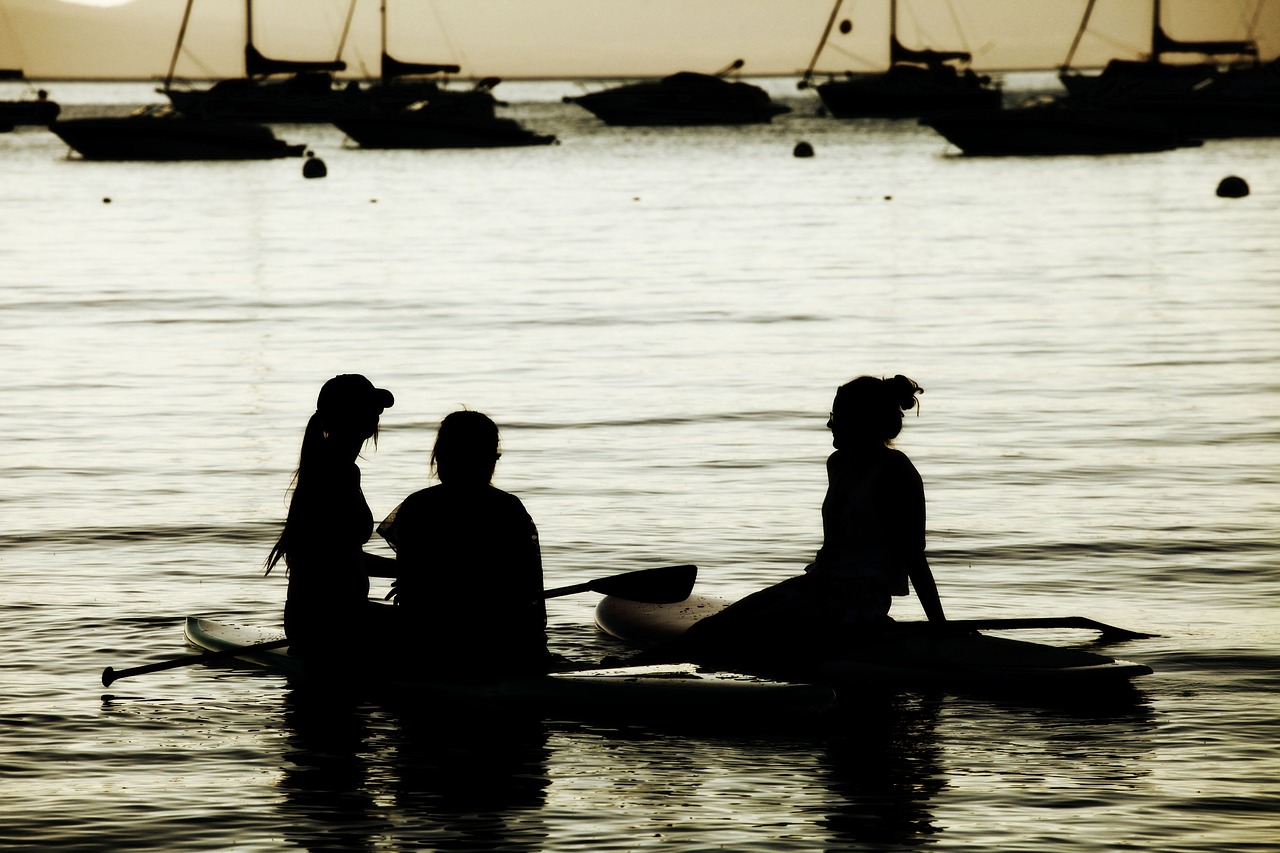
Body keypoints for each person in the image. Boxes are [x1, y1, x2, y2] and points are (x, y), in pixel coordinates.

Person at [633, 374, 945, 667]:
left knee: (745, 636)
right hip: (819, 585)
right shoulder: (839, 464)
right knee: (716, 626)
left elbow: (913, 556)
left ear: (862, 420)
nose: (828, 424)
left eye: (837, 416)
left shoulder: (896, 472)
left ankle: (665, 675)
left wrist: (940, 628)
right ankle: (635, 668)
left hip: (859, 601)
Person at [377, 410, 550, 677]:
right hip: (501, 647)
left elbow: (409, 587)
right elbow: (530, 592)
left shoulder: (418, 506)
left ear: (441, 458)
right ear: (489, 460)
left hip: (429, 647)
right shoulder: (508, 508)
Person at [265, 374, 398, 661]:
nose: (376, 415)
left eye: (376, 409)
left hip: (341, 613)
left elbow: (344, 554)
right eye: (368, 409)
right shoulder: (332, 472)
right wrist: (410, 570)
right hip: (327, 623)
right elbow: (334, 556)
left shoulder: (338, 468)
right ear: (345, 417)